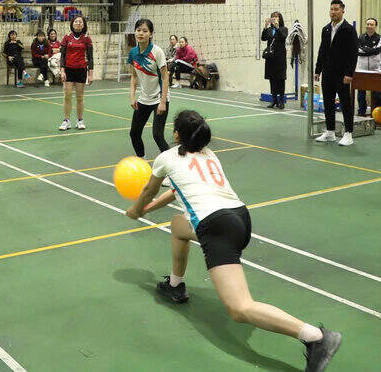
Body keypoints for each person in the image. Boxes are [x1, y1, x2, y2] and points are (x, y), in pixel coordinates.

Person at [126, 110, 343, 370]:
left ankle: (316, 337)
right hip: (239, 218)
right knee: (178, 226)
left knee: (239, 308)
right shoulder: (209, 155)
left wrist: (136, 210)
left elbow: (149, 190)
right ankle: (176, 285)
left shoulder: (166, 158)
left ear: (176, 135)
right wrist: (147, 211)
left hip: (216, 227)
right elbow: (176, 191)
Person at [314, 0, 358, 146]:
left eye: (336, 9)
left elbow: (353, 53)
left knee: (346, 104)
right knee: (328, 103)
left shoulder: (349, 29)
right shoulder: (326, 29)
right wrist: (318, 70)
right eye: (331, 9)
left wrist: (349, 73)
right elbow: (322, 50)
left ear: (342, 11)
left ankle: (348, 134)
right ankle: (330, 132)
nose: (333, 12)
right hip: (327, 73)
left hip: (342, 74)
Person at [128, 18, 171, 157]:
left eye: (145, 31)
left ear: (151, 34)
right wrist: (132, 97)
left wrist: (163, 102)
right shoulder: (133, 53)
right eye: (138, 30)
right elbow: (134, 76)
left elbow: (165, 77)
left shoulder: (157, 52)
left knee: (157, 135)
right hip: (144, 99)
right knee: (134, 134)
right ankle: (142, 161)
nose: (141, 33)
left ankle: (174, 164)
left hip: (159, 98)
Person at [59, 14, 94, 131]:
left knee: (80, 97)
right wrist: (62, 70)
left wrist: (91, 74)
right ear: (72, 24)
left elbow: (90, 57)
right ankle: (66, 121)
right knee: (67, 95)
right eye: (76, 22)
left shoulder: (87, 39)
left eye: (80, 22)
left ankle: (80, 120)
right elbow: (62, 56)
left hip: (81, 69)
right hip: (69, 69)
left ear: (83, 25)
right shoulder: (66, 38)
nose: (78, 23)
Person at [355, 17, 381, 116]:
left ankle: (377, 114)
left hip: (375, 69)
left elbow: (378, 50)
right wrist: (371, 50)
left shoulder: (380, 38)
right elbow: (358, 51)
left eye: (371, 24)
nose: (369, 26)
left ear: (375, 26)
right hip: (361, 69)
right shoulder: (360, 37)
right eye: (368, 24)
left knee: (376, 93)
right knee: (361, 92)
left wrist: (365, 49)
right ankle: (361, 112)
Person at [262, 12, 289, 109]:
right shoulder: (269, 30)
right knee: (272, 79)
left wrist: (277, 27)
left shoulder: (283, 29)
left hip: (280, 58)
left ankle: (281, 101)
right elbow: (263, 38)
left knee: (280, 79)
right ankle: (274, 100)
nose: (274, 19)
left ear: (280, 19)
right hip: (271, 58)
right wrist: (265, 26)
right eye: (272, 17)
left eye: (276, 17)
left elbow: (283, 36)